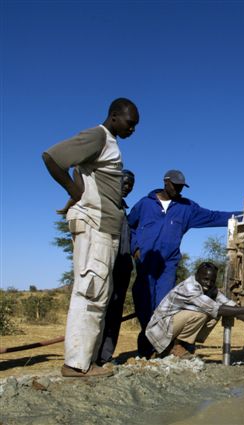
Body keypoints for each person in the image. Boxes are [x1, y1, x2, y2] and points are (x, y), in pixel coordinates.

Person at [42, 98, 139, 378]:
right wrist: (74, 193)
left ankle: (87, 361)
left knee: (100, 294)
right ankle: (77, 365)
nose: (133, 130)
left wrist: (78, 191)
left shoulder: (109, 143)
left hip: (105, 229)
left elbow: (83, 172)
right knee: (91, 290)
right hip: (95, 227)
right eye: (130, 123)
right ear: (114, 117)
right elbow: (52, 157)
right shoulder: (98, 135)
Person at [128, 170, 242, 357]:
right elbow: (130, 225)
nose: (178, 189)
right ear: (166, 183)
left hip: (168, 265)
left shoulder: (186, 208)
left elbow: (213, 217)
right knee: (144, 304)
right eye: (175, 185)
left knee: (164, 306)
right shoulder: (145, 204)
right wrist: (134, 249)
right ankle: (146, 349)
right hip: (145, 263)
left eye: (181, 186)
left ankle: (168, 348)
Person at [145, 262, 244, 358]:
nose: (208, 283)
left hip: (170, 327)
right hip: (158, 329)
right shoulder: (190, 288)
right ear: (196, 275)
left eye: (212, 281)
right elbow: (217, 309)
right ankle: (177, 347)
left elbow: (229, 306)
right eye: (205, 279)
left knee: (214, 314)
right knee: (203, 314)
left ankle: (183, 345)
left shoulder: (210, 289)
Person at [95, 170, 136, 365]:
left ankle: (105, 356)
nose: (127, 187)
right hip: (106, 265)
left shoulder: (124, 210)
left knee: (115, 311)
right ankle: (91, 356)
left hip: (122, 267)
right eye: (125, 183)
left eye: (131, 185)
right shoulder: (103, 204)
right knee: (98, 309)